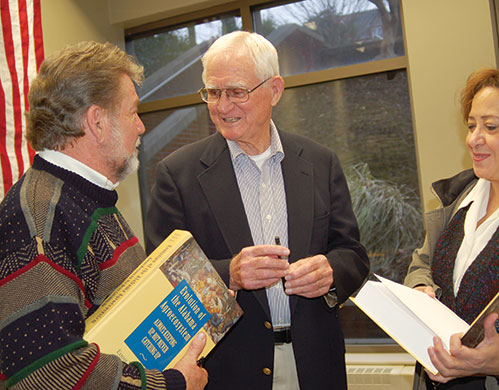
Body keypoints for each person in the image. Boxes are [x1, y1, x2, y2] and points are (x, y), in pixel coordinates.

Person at [145, 31, 369, 390]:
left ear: (275, 90)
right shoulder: (178, 174)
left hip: (316, 365)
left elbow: (353, 255)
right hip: (229, 372)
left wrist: (330, 272)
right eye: (213, 93)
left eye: (236, 92)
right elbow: (160, 279)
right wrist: (229, 274)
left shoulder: (319, 162)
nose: (222, 106)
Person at [0, 41, 207, 390]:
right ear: (97, 121)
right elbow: (49, 373)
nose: (141, 127)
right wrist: (172, 385)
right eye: (132, 112)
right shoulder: (37, 218)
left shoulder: (89, 199)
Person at [404, 66, 499, 390]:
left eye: (490, 127)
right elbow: (421, 264)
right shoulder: (456, 200)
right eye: (472, 125)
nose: (473, 139)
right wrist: (420, 288)